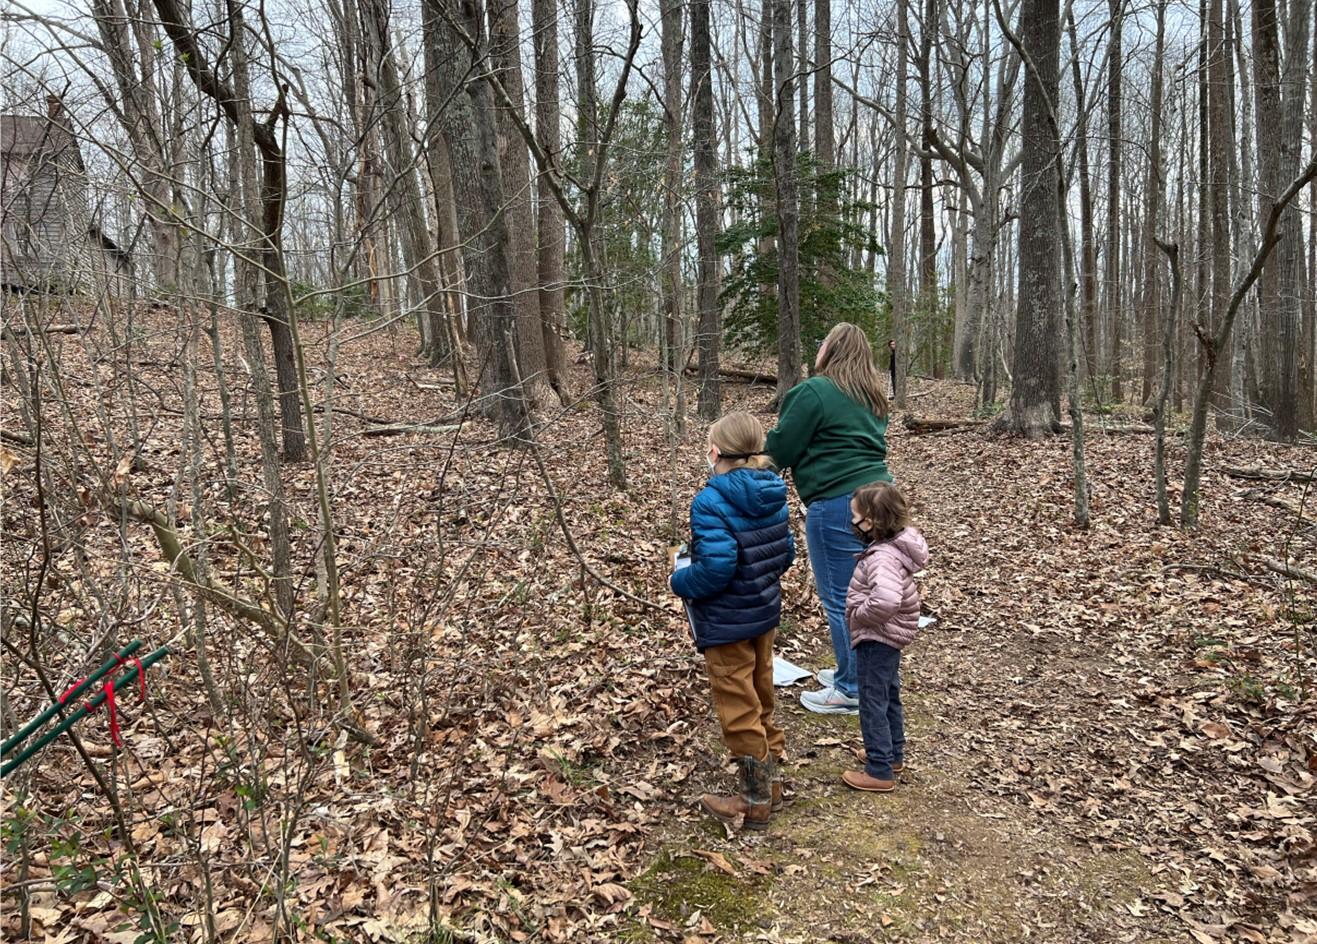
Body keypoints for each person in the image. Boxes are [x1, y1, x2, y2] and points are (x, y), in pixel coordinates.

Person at [670, 412, 795, 829]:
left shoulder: (711, 500)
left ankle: (755, 798)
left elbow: (717, 569)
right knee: (761, 694)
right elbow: (785, 555)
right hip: (763, 611)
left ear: (715, 452)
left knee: (739, 705)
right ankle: (771, 781)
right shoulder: (773, 490)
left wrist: (680, 579)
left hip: (726, 621)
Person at [766, 322, 893, 715]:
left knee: (841, 598)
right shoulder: (872, 397)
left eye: (821, 342)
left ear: (830, 350)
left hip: (837, 502)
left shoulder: (814, 392)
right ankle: (856, 671)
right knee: (868, 595)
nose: (817, 348)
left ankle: (851, 687)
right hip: (881, 499)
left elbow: (782, 448)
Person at [840, 482, 927, 792]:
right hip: (888, 637)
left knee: (872, 698)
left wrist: (859, 615)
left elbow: (887, 600)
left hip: (877, 637)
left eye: (856, 517)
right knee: (888, 693)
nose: (852, 523)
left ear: (873, 521)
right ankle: (892, 754)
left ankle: (879, 769)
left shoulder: (882, 557)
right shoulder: (896, 547)